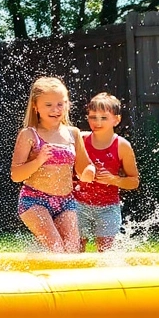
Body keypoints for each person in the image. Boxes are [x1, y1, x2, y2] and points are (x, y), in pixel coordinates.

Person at [9, 77, 95, 252]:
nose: (55, 110)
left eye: (60, 104)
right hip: (34, 200)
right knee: (56, 249)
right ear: (35, 106)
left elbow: (85, 166)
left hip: (65, 201)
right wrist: (39, 160)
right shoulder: (29, 135)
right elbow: (16, 175)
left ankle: (38, 265)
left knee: (72, 251)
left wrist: (88, 172)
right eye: (48, 105)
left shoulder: (73, 134)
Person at [75, 93, 140, 251]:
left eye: (103, 118)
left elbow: (134, 181)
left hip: (108, 207)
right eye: (92, 117)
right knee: (76, 248)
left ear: (116, 120)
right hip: (79, 204)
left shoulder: (122, 146)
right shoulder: (81, 139)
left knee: (106, 251)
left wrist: (113, 180)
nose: (97, 122)